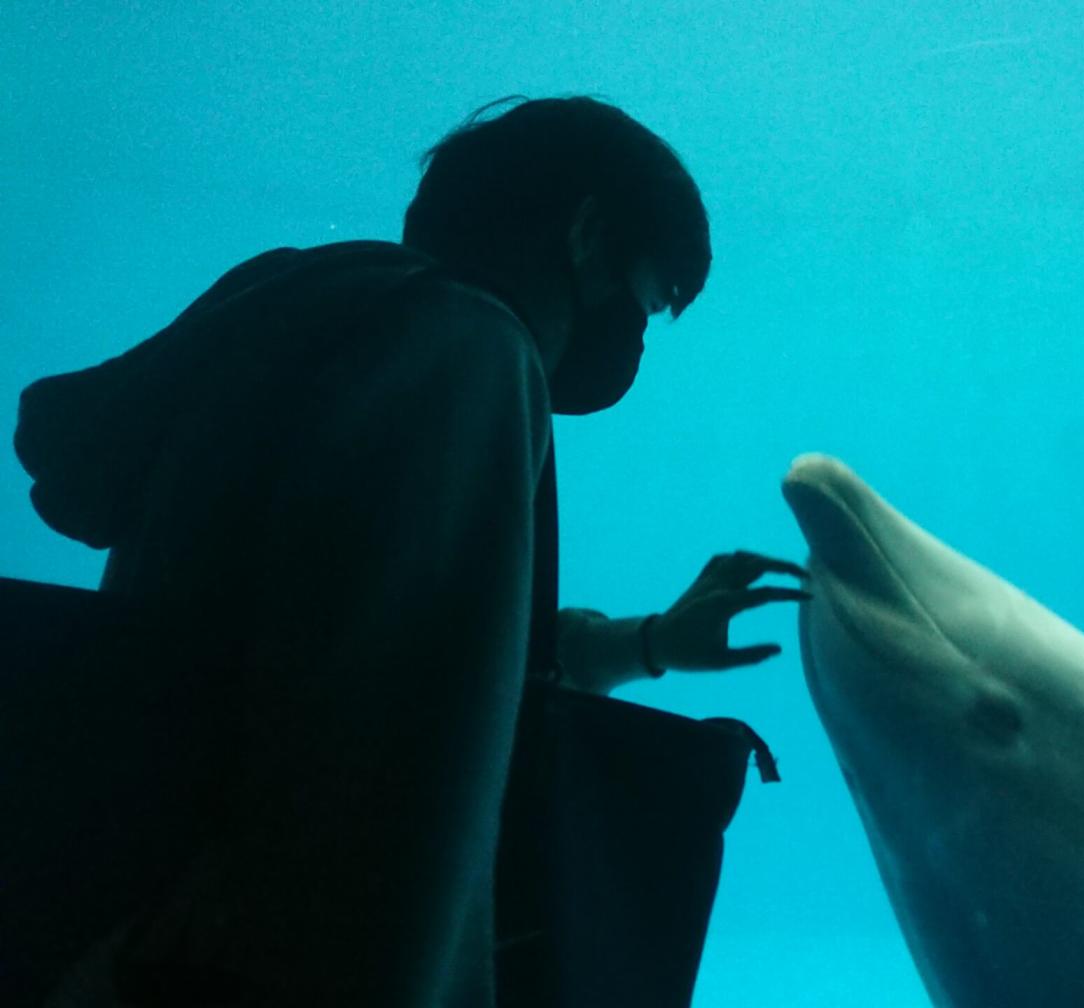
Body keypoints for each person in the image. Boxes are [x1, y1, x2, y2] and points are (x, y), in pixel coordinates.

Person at [13, 96, 807, 1006]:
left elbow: (349, 626)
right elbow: (406, 743)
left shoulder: (299, 318)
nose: (635, 332)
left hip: (149, 930)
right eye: (651, 293)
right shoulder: (469, 352)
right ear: (588, 237)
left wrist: (648, 644)